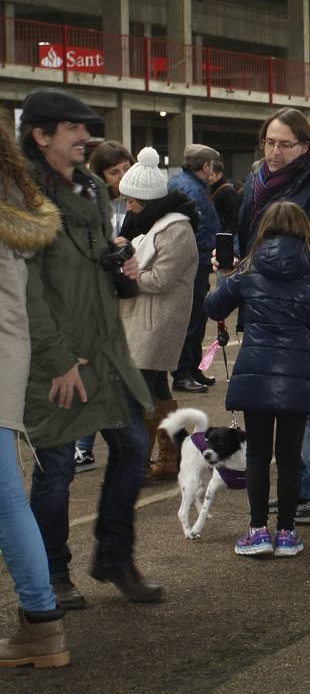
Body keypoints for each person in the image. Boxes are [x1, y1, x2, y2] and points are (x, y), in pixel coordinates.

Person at [19, 88, 164, 608]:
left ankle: (114, 557)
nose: (87, 138)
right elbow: (26, 287)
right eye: (74, 129)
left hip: (105, 349)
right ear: (41, 136)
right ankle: (55, 574)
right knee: (55, 468)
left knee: (131, 447)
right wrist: (58, 359)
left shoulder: (92, 191)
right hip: (57, 359)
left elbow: (99, 255)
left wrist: (121, 263)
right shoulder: (24, 198)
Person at [234, 108, 310, 525]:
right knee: (285, 403)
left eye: (285, 144)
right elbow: (248, 229)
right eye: (269, 141)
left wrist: (297, 262)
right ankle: (300, 485)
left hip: (306, 305)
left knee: (309, 401)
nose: (274, 151)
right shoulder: (258, 178)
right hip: (267, 304)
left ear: (303, 146)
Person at [207, 202, 310, 559]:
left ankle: (257, 531)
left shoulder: (249, 270)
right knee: (289, 456)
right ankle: (287, 533)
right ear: (306, 231)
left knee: (258, 453)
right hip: (299, 374)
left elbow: (213, 307)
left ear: (265, 231)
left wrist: (226, 272)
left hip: (256, 371)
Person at [0, 124, 69, 669]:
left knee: (5, 496)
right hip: (10, 353)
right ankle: (41, 625)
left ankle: (42, 621)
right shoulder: (16, 203)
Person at [116, 147, 200, 483]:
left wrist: (125, 273)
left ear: (148, 201)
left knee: (141, 395)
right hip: (147, 319)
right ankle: (172, 457)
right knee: (158, 393)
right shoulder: (156, 225)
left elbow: (161, 279)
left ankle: (138, 464)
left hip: (156, 322)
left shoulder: (175, 229)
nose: (128, 207)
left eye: (133, 201)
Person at [74, 140, 134, 473]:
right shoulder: (91, 203)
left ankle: (88, 446)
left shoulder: (138, 201)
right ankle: (83, 446)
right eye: (115, 171)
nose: (123, 176)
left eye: (127, 167)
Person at [167, 143, 222, 395]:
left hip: (194, 260)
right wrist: (212, 248)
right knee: (191, 319)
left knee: (197, 318)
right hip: (193, 262)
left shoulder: (187, 185)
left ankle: (192, 367)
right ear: (206, 166)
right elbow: (196, 229)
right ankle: (182, 373)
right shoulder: (192, 190)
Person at [210, 160, 242, 233]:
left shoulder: (227, 191)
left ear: (219, 174)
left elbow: (234, 216)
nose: (209, 177)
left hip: (223, 232)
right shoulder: (211, 187)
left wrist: (227, 233)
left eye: (211, 175)